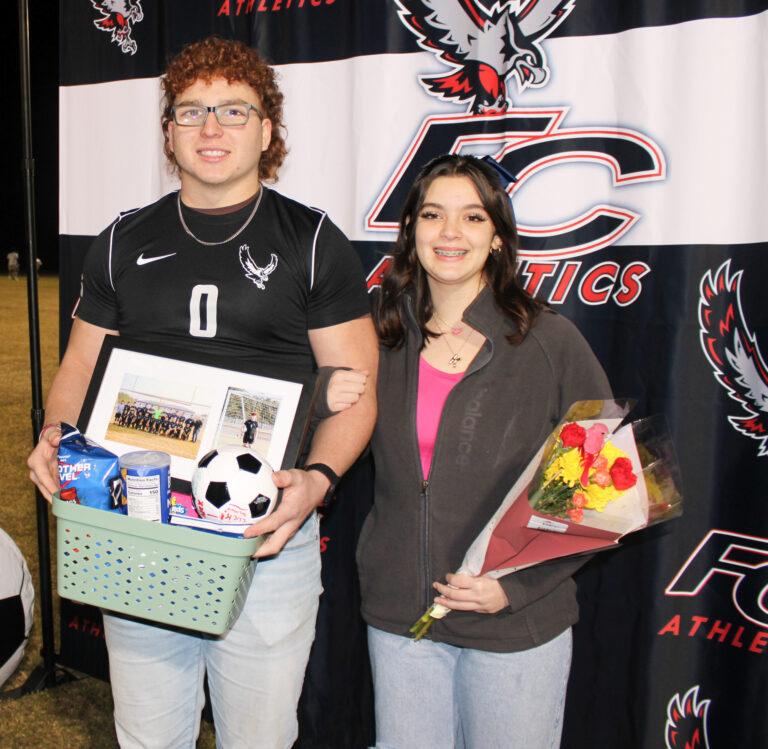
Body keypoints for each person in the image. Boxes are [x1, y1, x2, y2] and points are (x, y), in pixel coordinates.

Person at [27, 36, 377, 749]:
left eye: (233, 111)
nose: (211, 128)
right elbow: (77, 369)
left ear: (268, 130)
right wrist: (54, 437)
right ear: (168, 132)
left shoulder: (312, 242)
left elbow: (359, 392)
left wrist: (316, 481)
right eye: (191, 111)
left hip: (261, 533)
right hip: (141, 527)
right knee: (150, 737)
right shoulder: (122, 239)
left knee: (260, 737)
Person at [355, 154, 612, 748]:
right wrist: (327, 394)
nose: (450, 233)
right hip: (402, 623)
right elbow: (318, 433)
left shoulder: (548, 339)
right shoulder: (379, 334)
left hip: (513, 625)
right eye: (432, 214)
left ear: (497, 238)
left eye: (471, 217)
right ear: (411, 230)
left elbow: (603, 484)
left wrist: (515, 588)